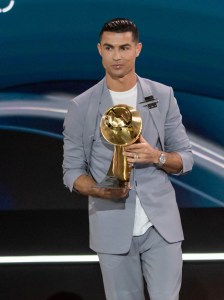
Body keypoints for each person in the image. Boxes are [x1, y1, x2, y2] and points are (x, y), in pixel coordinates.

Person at [63, 18, 193, 300]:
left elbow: (185, 158)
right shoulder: (81, 106)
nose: (117, 56)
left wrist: (156, 156)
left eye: (124, 47)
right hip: (111, 227)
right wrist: (100, 190)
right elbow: (72, 171)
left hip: (161, 227)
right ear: (99, 49)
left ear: (138, 49)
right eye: (109, 48)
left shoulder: (161, 95)